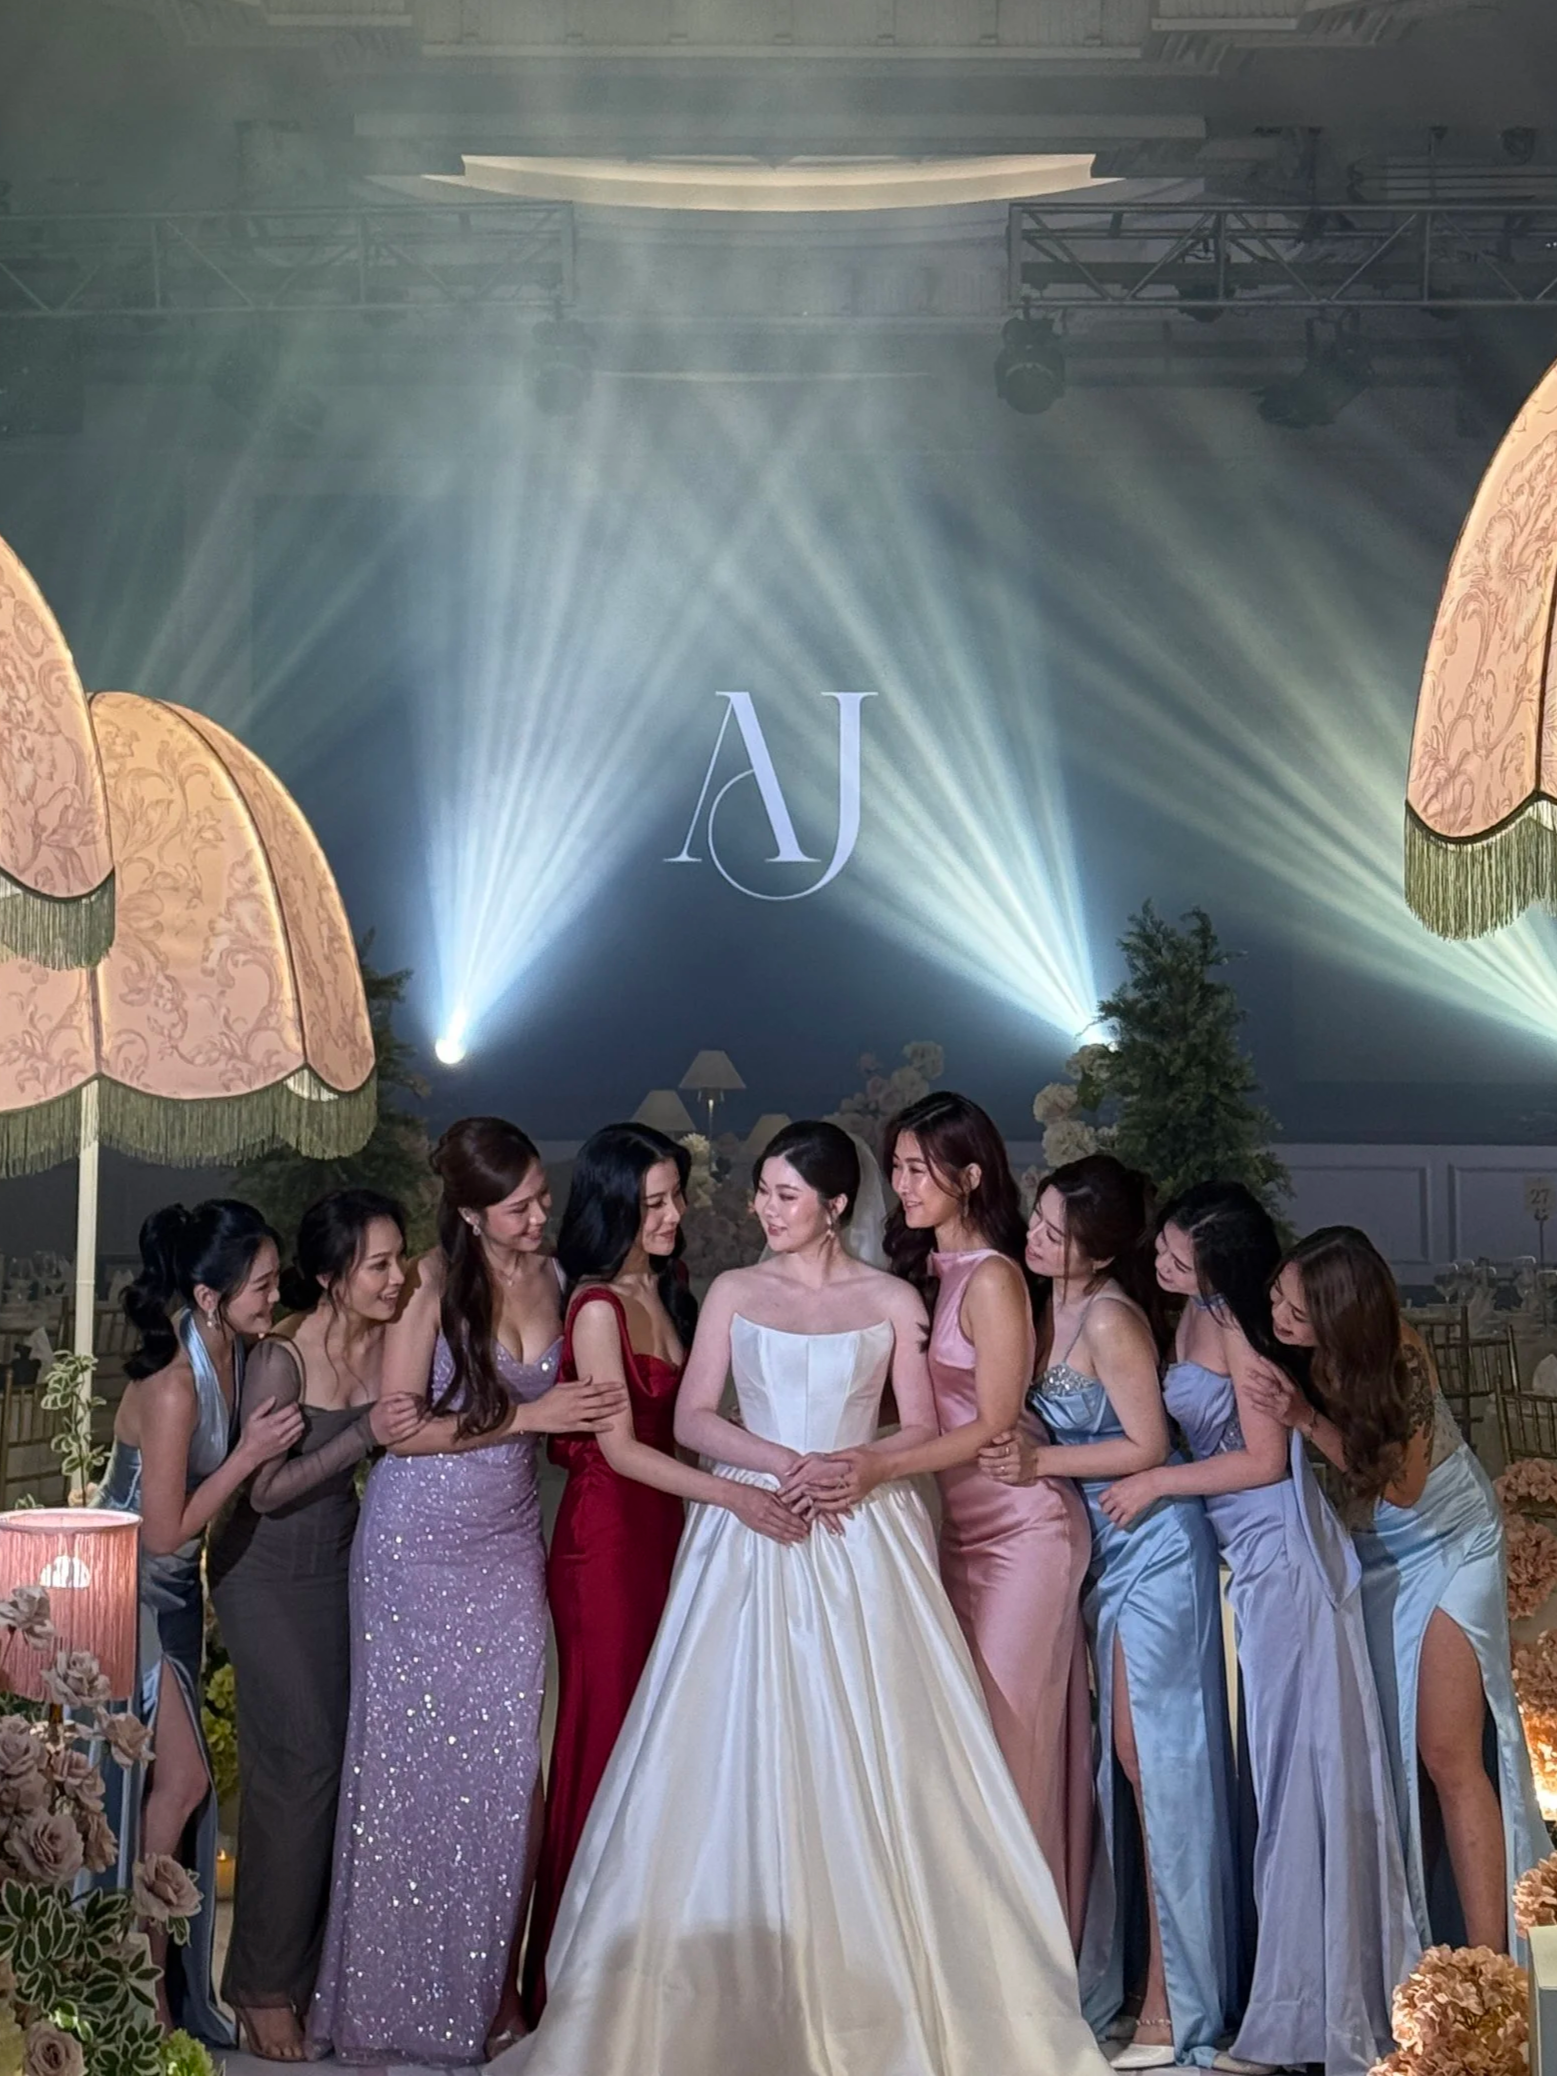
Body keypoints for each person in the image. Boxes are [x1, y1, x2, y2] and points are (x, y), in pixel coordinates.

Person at [493, 1121, 1112, 2076]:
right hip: (752, 1534)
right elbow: (696, 1416)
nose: (761, 1209)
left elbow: (909, 1423)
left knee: (884, 1752)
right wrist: (784, 1464)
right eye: (760, 1191)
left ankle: (894, 1981)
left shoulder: (894, 1298)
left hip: (865, 1537)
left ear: (832, 1208)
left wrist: (859, 1471)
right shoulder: (736, 1293)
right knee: (728, 1747)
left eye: (781, 1195)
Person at [306, 1119, 627, 2067]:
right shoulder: (432, 1290)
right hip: (414, 1548)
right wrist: (534, 1412)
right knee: (403, 1781)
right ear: (470, 1215)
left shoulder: (566, 1279)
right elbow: (401, 1434)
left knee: (501, 1780)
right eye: (517, 1205)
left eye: (539, 1194)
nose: (537, 1215)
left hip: (505, 1551)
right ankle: (392, 2005)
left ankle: (486, 1993)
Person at [1102, 1186, 1416, 2076]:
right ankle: (1279, 1999)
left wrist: (1157, 1484)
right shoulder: (1189, 1314)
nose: (1161, 1263)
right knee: (1272, 1775)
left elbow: (1260, 1458)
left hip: (1281, 1552)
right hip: (1240, 1551)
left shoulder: (1240, 1330)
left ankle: (1301, 2015)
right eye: (1161, 1247)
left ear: (1218, 1264)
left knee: (1297, 1777)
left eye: (1176, 1254)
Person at [520, 1122, 806, 2029]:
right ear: (612, 1207)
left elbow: (694, 1423)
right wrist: (736, 1499)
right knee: (601, 1744)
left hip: (669, 1532)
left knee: (661, 1745)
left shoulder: (668, 1294)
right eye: (652, 1203)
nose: (673, 1215)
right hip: (607, 1541)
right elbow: (621, 1452)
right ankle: (570, 1979)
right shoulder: (598, 1304)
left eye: (676, 1197)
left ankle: (645, 1963)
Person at [982, 1155, 1239, 2071]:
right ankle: (1134, 1982)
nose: (1035, 1237)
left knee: (1154, 1766)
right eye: (1038, 1221)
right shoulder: (1048, 1303)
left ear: (1095, 1247)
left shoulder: (1112, 1319)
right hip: (1103, 1557)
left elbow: (1146, 1444)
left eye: (1054, 1230)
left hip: (1158, 1551)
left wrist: (1039, 1463)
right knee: (1118, 1770)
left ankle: (1182, 2007)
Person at [822, 1090, 1094, 1945]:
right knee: (963, 1747)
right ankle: (973, 1952)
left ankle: (1032, 1966)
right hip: (961, 1536)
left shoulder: (996, 1278)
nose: (899, 1183)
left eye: (915, 1168)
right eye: (896, 1166)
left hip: (1025, 1536)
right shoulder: (929, 1276)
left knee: (1014, 1752)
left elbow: (989, 1421)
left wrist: (878, 1464)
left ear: (969, 1177)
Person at [1250, 1225, 1547, 1955]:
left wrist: (1303, 1420)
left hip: (1448, 1544)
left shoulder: (1399, 1358)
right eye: (1276, 1299)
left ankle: (1486, 1964)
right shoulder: (1310, 1355)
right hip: (1376, 1554)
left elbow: (1405, 1488)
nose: (1278, 1317)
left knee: (1447, 1753)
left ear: (1339, 1312)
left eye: (1295, 1308)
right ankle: (1409, 1944)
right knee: (1391, 1758)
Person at [207, 1189, 417, 2061]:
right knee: (299, 1766)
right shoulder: (286, 1357)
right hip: (262, 1575)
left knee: (336, 1768)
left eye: (400, 1259)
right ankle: (258, 1988)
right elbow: (265, 1488)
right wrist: (363, 1432)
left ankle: (304, 1975)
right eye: (377, 1265)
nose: (396, 1277)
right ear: (330, 1278)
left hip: (338, 1573)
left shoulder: (392, 1341)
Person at [98, 1199, 302, 2043]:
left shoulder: (234, 1344)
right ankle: (135, 1981)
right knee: (176, 1783)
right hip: (132, 1591)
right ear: (210, 1295)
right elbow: (165, 1529)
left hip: (178, 1596)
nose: (274, 1293)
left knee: (169, 1790)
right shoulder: (176, 1383)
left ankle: (152, 1980)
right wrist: (252, 1454)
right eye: (261, 1284)